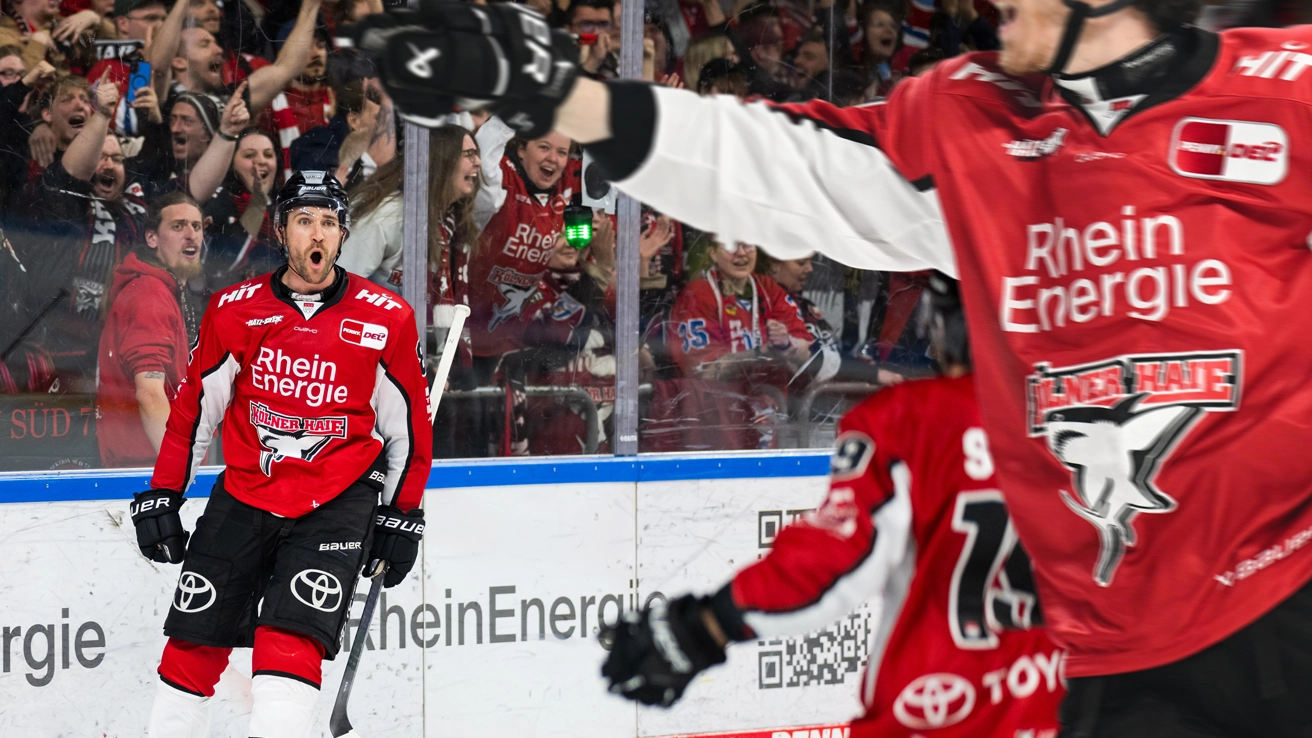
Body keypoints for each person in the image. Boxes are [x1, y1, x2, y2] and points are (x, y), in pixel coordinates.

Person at [355, 1, 1312, 733]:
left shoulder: (1284, 87)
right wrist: (558, 95)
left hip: (1287, 600)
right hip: (1117, 656)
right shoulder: (975, 122)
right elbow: (786, 167)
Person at [606, 274, 1064, 736]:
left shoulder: (912, 419)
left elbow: (834, 558)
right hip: (1074, 707)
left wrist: (707, 625)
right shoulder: (1094, 421)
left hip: (943, 712)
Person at [128, 171, 432, 737]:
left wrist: (403, 512)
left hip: (336, 501)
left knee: (287, 650)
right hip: (244, 494)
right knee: (189, 652)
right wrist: (165, 492)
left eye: (327, 223)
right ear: (282, 230)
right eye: (303, 221)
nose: (316, 234)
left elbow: (408, 430)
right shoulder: (234, 310)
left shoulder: (386, 316)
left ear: (342, 235)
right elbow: (196, 411)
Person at [97, 192, 204, 468]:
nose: (191, 235)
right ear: (152, 238)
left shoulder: (165, 290)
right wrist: (181, 470)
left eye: (197, 226)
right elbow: (150, 394)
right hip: (150, 471)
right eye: (178, 226)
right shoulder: (150, 294)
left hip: (149, 465)